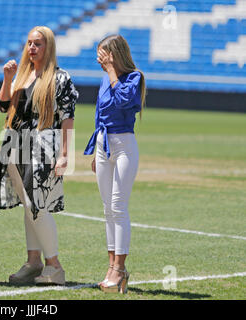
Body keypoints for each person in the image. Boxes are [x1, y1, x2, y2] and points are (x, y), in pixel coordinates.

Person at [0, 26, 78, 286]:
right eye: (29, 43)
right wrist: (7, 78)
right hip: (15, 143)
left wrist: (64, 154)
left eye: (38, 44)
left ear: (48, 47)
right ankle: (33, 262)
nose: (32, 48)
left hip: (43, 145)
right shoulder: (23, 76)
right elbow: (5, 106)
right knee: (27, 206)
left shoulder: (61, 78)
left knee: (36, 205)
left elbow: (67, 118)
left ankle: (55, 266)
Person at [84, 34, 146, 294]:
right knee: (107, 208)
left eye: (104, 56)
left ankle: (120, 270)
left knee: (119, 207)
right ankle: (112, 269)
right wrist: (96, 151)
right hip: (104, 145)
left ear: (116, 54)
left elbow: (123, 101)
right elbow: (100, 114)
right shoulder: (103, 78)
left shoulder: (134, 78)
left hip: (124, 146)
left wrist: (111, 71)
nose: (100, 61)